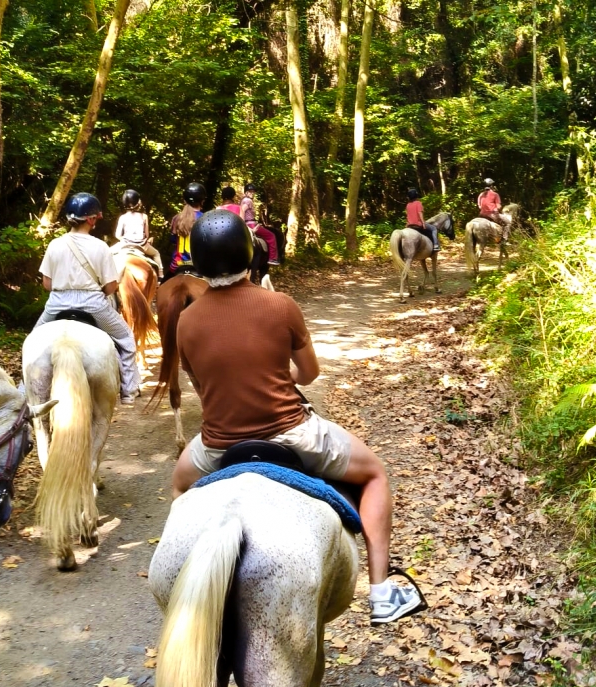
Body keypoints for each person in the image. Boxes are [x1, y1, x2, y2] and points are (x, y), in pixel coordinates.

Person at [169, 210, 422, 625]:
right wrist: (278, 374)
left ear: (199, 259)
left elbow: (201, 386)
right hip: (293, 433)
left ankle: (185, 585)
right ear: (248, 253)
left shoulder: (186, 321)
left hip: (216, 446)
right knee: (375, 473)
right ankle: (382, 592)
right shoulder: (280, 305)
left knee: (181, 486)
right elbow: (309, 373)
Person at [34, 192, 141, 404]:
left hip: (57, 303)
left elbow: (47, 284)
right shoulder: (100, 247)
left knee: (33, 342)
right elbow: (110, 287)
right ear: (91, 219)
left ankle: (23, 393)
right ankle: (129, 390)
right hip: (93, 304)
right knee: (126, 338)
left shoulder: (55, 244)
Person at [112, 188, 163, 279]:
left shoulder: (122, 217)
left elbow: (117, 235)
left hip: (125, 244)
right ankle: (160, 275)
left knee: (107, 253)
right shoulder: (144, 216)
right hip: (142, 245)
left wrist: (124, 239)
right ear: (137, 203)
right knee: (156, 254)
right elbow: (146, 235)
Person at [167, 182, 206, 276]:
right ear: (202, 200)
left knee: (163, 283)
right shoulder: (205, 218)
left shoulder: (176, 218)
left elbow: (172, 240)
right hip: (198, 265)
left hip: (178, 264)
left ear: (185, 200)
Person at [240, 183, 280, 265]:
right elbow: (243, 210)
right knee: (271, 236)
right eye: (250, 191)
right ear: (246, 192)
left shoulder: (243, 200)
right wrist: (242, 223)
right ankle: (272, 258)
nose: (252, 193)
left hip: (249, 223)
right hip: (251, 225)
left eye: (253, 191)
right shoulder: (248, 201)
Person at [405, 188, 440, 252]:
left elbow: (408, 216)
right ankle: (436, 245)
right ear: (416, 196)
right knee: (434, 229)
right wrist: (423, 223)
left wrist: (407, 224)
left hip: (410, 225)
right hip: (418, 224)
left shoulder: (408, 205)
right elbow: (420, 213)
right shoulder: (418, 203)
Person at [476, 178, 510, 242]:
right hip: (492, 215)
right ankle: (504, 240)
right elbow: (498, 207)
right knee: (507, 223)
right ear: (491, 185)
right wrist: (499, 207)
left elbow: (480, 206)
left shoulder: (481, 195)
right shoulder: (495, 194)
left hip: (481, 214)